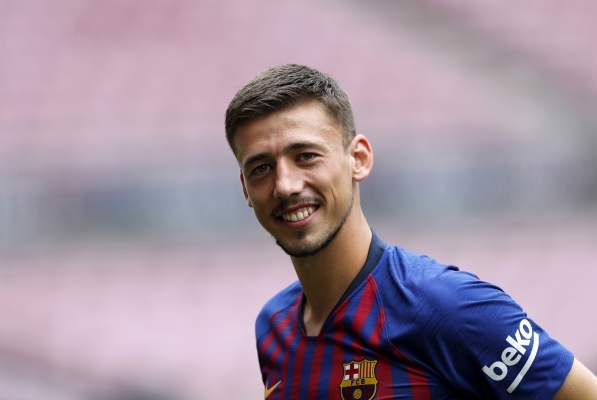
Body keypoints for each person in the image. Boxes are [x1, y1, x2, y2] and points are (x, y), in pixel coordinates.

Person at [224, 64, 597, 399]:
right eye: (261, 168)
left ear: (358, 159)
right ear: (245, 189)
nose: (285, 185)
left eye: (306, 156)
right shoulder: (273, 326)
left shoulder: (447, 305)